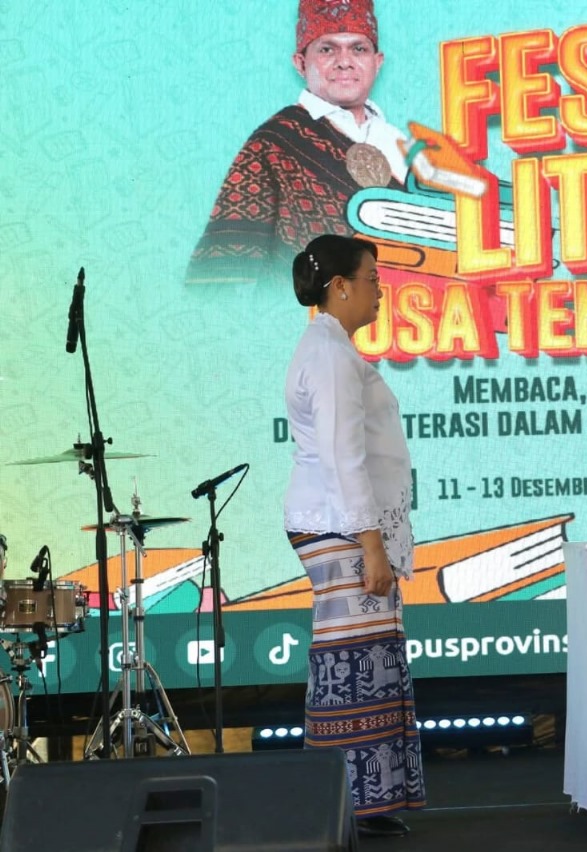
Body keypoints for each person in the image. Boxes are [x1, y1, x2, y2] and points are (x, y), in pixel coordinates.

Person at [284, 234, 423, 838]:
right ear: (339, 287)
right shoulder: (329, 355)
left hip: (342, 523)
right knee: (352, 667)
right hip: (339, 525)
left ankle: (360, 802)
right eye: (372, 280)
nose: (380, 292)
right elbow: (344, 457)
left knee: (366, 659)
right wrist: (371, 544)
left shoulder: (332, 348)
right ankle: (342, 805)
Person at [186, 0, 407, 285]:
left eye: (358, 49)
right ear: (301, 63)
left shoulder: (404, 146)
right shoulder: (274, 142)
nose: (344, 61)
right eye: (327, 49)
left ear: (378, 62)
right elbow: (228, 266)